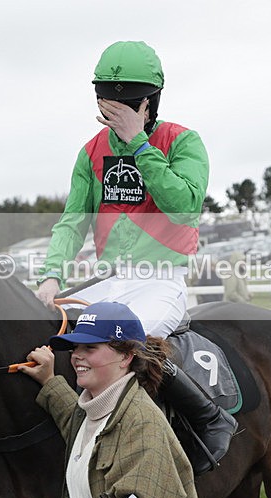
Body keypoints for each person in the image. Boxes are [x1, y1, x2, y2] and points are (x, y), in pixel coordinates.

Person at [34, 40, 235, 466]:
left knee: (125, 343)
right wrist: (52, 275)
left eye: (128, 104)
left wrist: (139, 145)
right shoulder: (90, 152)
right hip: (107, 281)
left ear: (150, 102)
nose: (118, 113)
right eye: (110, 103)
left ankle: (209, 418)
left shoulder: (183, 141)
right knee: (43, 335)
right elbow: (72, 222)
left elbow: (184, 210)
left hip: (162, 279)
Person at [19, 302, 205, 498]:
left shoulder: (143, 423)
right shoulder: (94, 409)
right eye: (75, 347)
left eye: (90, 348)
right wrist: (49, 381)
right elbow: (79, 426)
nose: (77, 356)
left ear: (126, 357)